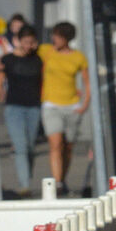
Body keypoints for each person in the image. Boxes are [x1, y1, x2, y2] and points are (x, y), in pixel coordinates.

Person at [37, 21, 90, 196]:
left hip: (72, 105)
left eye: (58, 36)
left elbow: (87, 82)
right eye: (54, 35)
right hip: (51, 105)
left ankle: (63, 178)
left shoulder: (78, 57)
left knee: (68, 146)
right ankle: (58, 182)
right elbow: (26, 49)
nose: (54, 39)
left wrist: (84, 104)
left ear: (66, 38)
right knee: (56, 143)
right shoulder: (46, 51)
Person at [0, 24, 43, 197]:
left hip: (34, 107)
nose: (28, 45)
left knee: (30, 147)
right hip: (13, 107)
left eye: (32, 42)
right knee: (21, 146)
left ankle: (26, 177)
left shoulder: (39, 59)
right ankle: (24, 184)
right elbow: (0, 81)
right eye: (25, 42)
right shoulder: (8, 60)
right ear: (18, 41)